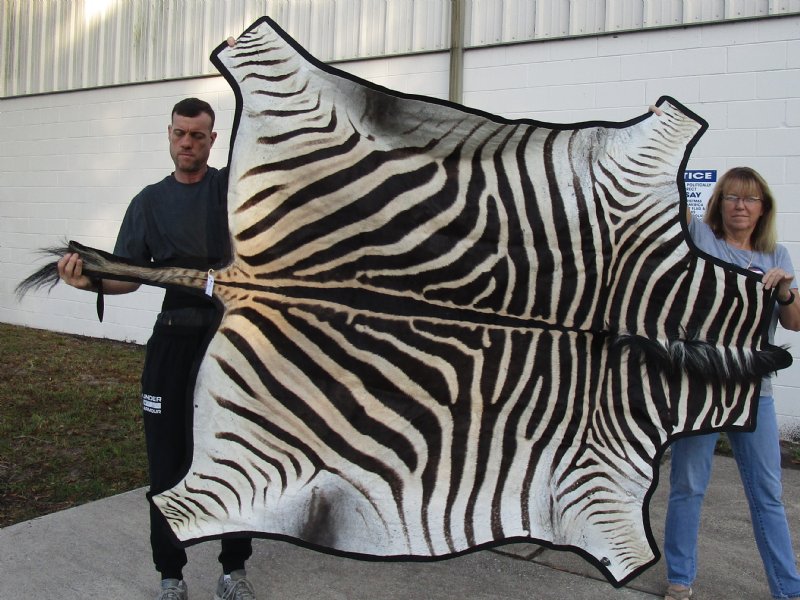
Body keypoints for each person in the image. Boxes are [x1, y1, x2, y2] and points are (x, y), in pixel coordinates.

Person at [57, 97, 258, 600]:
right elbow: (128, 277)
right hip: (172, 340)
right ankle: (171, 575)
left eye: (197, 135)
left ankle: (234, 571)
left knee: (235, 452)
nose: (187, 142)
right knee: (166, 459)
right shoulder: (148, 202)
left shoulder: (233, 190)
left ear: (213, 140)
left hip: (232, 340)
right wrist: (88, 285)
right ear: (168, 135)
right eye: (179, 133)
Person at [663, 166, 800, 600]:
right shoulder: (702, 240)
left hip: (753, 391)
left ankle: (787, 589)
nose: (741, 206)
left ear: (763, 209)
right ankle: (680, 579)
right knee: (688, 486)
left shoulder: (776, 255)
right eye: (732, 197)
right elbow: (669, 193)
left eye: (751, 199)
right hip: (701, 387)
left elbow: (794, 323)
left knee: (767, 495)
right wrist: (662, 130)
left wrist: (785, 293)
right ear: (719, 203)